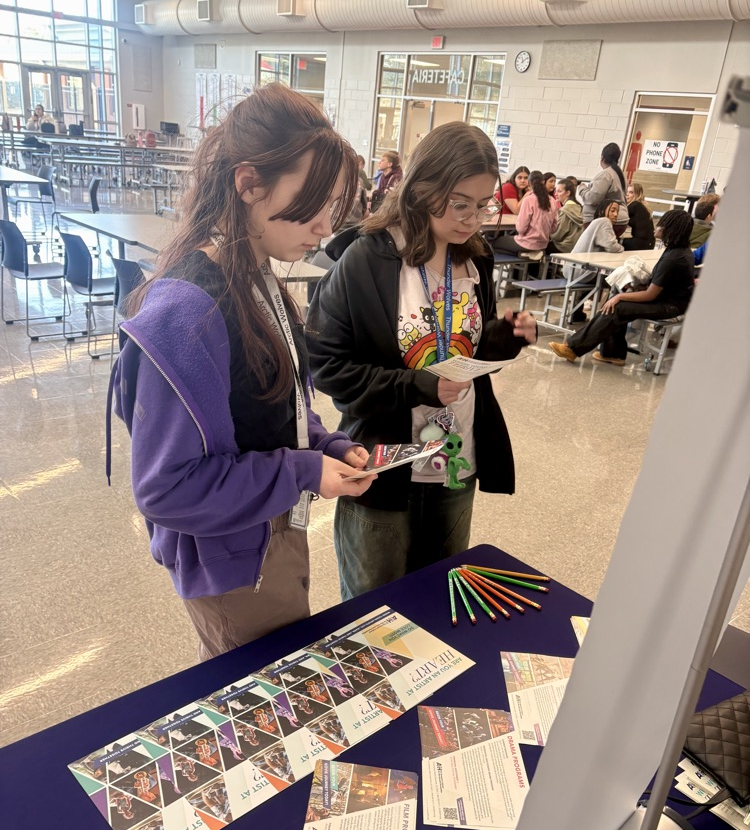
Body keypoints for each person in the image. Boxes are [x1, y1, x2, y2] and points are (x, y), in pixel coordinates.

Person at [111, 84, 376, 661]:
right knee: (262, 705)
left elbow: (273, 400)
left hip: (271, 526)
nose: (325, 226)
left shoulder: (258, 276)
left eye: (333, 206)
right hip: (233, 561)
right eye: (313, 202)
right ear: (249, 184)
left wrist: (325, 446)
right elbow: (166, 489)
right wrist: (303, 469)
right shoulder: (191, 311)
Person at [306, 121, 537, 599]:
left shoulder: (476, 259)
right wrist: (418, 386)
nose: (472, 220)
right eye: (459, 204)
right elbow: (327, 366)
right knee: (375, 607)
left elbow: (467, 347)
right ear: (420, 189)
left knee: (441, 597)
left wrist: (504, 338)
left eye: (482, 205)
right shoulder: (366, 261)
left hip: (455, 462)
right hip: (386, 467)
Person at [549, 209, 694, 367]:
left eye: (661, 225)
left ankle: (573, 348)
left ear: (670, 229)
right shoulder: (677, 252)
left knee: (618, 306)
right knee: (615, 300)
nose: (656, 227)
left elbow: (651, 295)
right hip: (668, 299)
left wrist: (621, 297)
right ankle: (613, 353)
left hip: (671, 306)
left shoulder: (674, 258)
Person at [498, 173, 558, 256]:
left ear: (529, 183)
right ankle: (529, 253)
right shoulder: (552, 200)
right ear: (543, 182)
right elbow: (554, 228)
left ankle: (522, 254)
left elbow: (521, 229)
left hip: (527, 243)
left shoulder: (529, 199)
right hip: (543, 244)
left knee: (495, 244)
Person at [579, 142, 629, 234]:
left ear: (602, 157)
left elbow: (593, 199)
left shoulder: (606, 175)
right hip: (620, 218)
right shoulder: (620, 174)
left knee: (594, 248)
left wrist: (582, 189)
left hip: (602, 220)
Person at [549, 178, 583, 253]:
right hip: (575, 246)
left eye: (559, 191)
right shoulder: (578, 207)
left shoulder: (565, 210)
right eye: (555, 191)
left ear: (567, 193)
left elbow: (557, 235)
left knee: (538, 245)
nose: (556, 194)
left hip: (564, 247)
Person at [623, 182, 655, 251]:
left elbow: (620, 217)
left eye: (631, 192)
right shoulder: (642, 206)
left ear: (637, 194)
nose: (627, 194)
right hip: (649, 243)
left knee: (614, 242)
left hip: (641, 243)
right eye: (626, 192)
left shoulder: (635, 205)